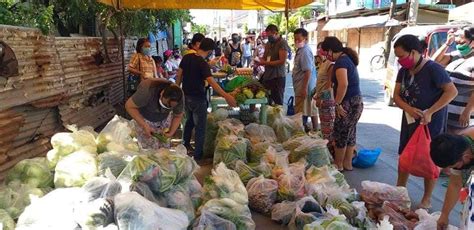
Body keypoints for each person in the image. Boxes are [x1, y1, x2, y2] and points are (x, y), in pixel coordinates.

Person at [392, 34, 458, 209]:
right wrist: (408, 108)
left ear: (413, 52)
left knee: (430, 160)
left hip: (431, 123)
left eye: (401, 56)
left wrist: (430, 112)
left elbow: (451, 92)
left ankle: (426, 199)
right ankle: (400, 191)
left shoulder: (433, 69)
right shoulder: (404, 71)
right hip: (409, 121)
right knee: (405, 155)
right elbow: (396, 96)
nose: (400, 61)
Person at [176, 38, 237, 160]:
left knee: (189, 121)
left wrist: (177, 91)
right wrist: (226, 96)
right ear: (209, 51)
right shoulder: (202, 63)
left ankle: (186, 144)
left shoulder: (187, 58)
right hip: (198, 99)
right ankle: (198, 156)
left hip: (185, 96)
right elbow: (212, 82)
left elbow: (179, 75)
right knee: (200, 127)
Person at [321, 36, 363, 171]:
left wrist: (337, 104)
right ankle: (347, 164)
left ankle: (338, 165)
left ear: (331, 50)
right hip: (356, 101)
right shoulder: (347, 58)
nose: (326, 56)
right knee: (350, 134)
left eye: (326, 53)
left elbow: (343, 85)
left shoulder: (341, 62)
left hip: (348, 103)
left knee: (341, 134)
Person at [432, 26, 474, 134]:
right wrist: (447, 44)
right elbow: (434, 62)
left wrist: (467, 112)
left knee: (454, 147)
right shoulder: (457, 56)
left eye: (462, 39)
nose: (458, 42)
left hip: (460, 117)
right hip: (444, 112)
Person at [430, 128, 474, 229]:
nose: (454, 169)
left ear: (466, 157)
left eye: (455, 166)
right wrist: (444, 215)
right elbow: (455, 184)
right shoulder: (458, 146)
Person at [125, 79, 184, 149]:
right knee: (148, 150)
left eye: (169, 106)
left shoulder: (179, 96)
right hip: (144, 118)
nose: (165, 107)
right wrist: (144, 125)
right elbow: (129, 106)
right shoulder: (146, 92)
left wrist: (171, 132)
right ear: (162, 93)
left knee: (163, 150)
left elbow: (178, 116)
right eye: (164, 104)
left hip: (164, 119)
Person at [292, 28, 318, 132]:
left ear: (305, 39)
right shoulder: (301, 50)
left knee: (305, 110)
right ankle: (313, 129)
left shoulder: (305, 52)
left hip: (305, 86)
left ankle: (309, 130)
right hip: (302, 86)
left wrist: (303, 89)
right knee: (309, 109)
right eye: (295, 39)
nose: (296, 41)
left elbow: (308, 71)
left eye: (299, 39)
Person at [256, 24, 288, 105]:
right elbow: (264, 57)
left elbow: (282, 61)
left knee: (278, 101)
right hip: (268, 76)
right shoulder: (268, 44)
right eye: (267, 36)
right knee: (266, 99)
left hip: (277, 76)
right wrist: (258, 61)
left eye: (269, 35)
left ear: (275, 33)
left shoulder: (282, 43)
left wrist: (265, 63)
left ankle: (278, 117)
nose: (268, 38)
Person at [314, 42, 335, 142]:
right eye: (318, 49)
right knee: (324, 128)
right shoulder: (323, 62)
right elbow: (321, 82)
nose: (319, 51)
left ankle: (330, 151)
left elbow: (329, 85)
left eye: (321, 49)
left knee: (329, 129)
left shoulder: (330, 64)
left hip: (327, 100)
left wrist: (322, 99)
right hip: (321, 99)